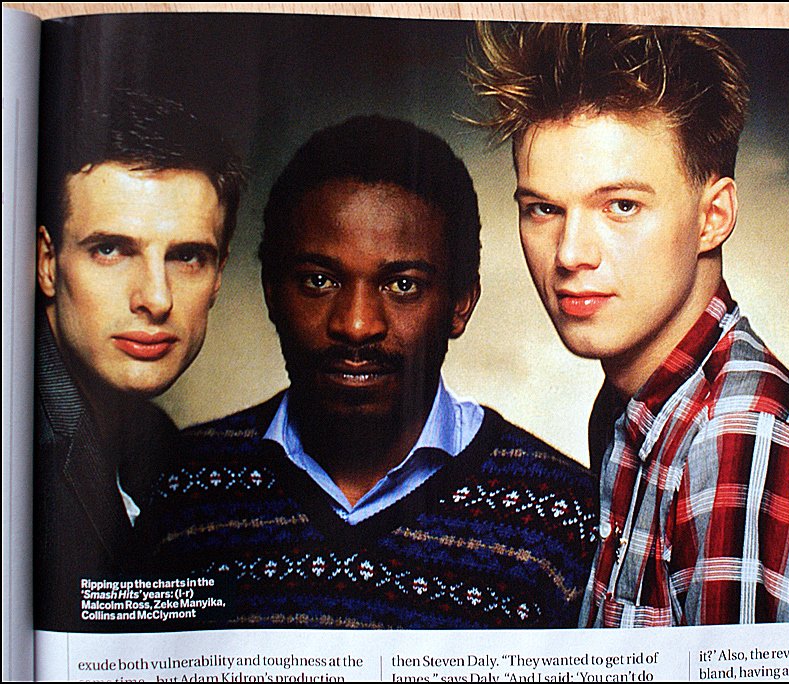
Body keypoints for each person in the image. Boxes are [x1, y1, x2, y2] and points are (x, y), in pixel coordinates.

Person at [139, 115, 598, 629]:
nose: (356, 325)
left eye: (402, 285)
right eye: (319, 281)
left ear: (461, 303)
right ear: (271, 291)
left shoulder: (560, 514)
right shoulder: (179, 485)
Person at [467, 23, 789, 626]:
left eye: (621, 206)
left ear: (713, 217)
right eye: (543, 209)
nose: (570, 253)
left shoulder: (737, 435)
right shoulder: (630, 408)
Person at [34, 88, 244, 630]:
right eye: (110, 249)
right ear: (48, 262)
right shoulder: (25, 451)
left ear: (218, 275)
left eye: (187, 256)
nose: (156, 297)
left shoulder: (159, 443)